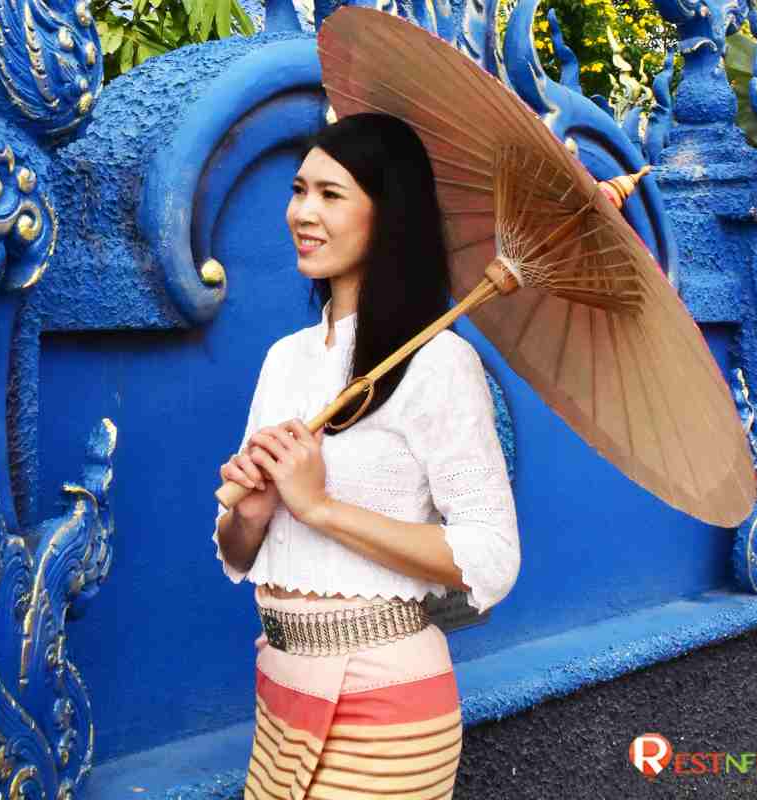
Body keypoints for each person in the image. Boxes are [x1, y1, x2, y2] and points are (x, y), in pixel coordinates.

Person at [212, 112, 521, 800]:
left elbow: (493, 557)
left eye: (331, 194)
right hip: (281, 690)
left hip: (388, 702)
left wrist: (320, 506)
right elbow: (238, 552)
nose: (302, 212)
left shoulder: (440, 362)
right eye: (299, 190)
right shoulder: (283, 360)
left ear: (388, 215)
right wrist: (256, 515)